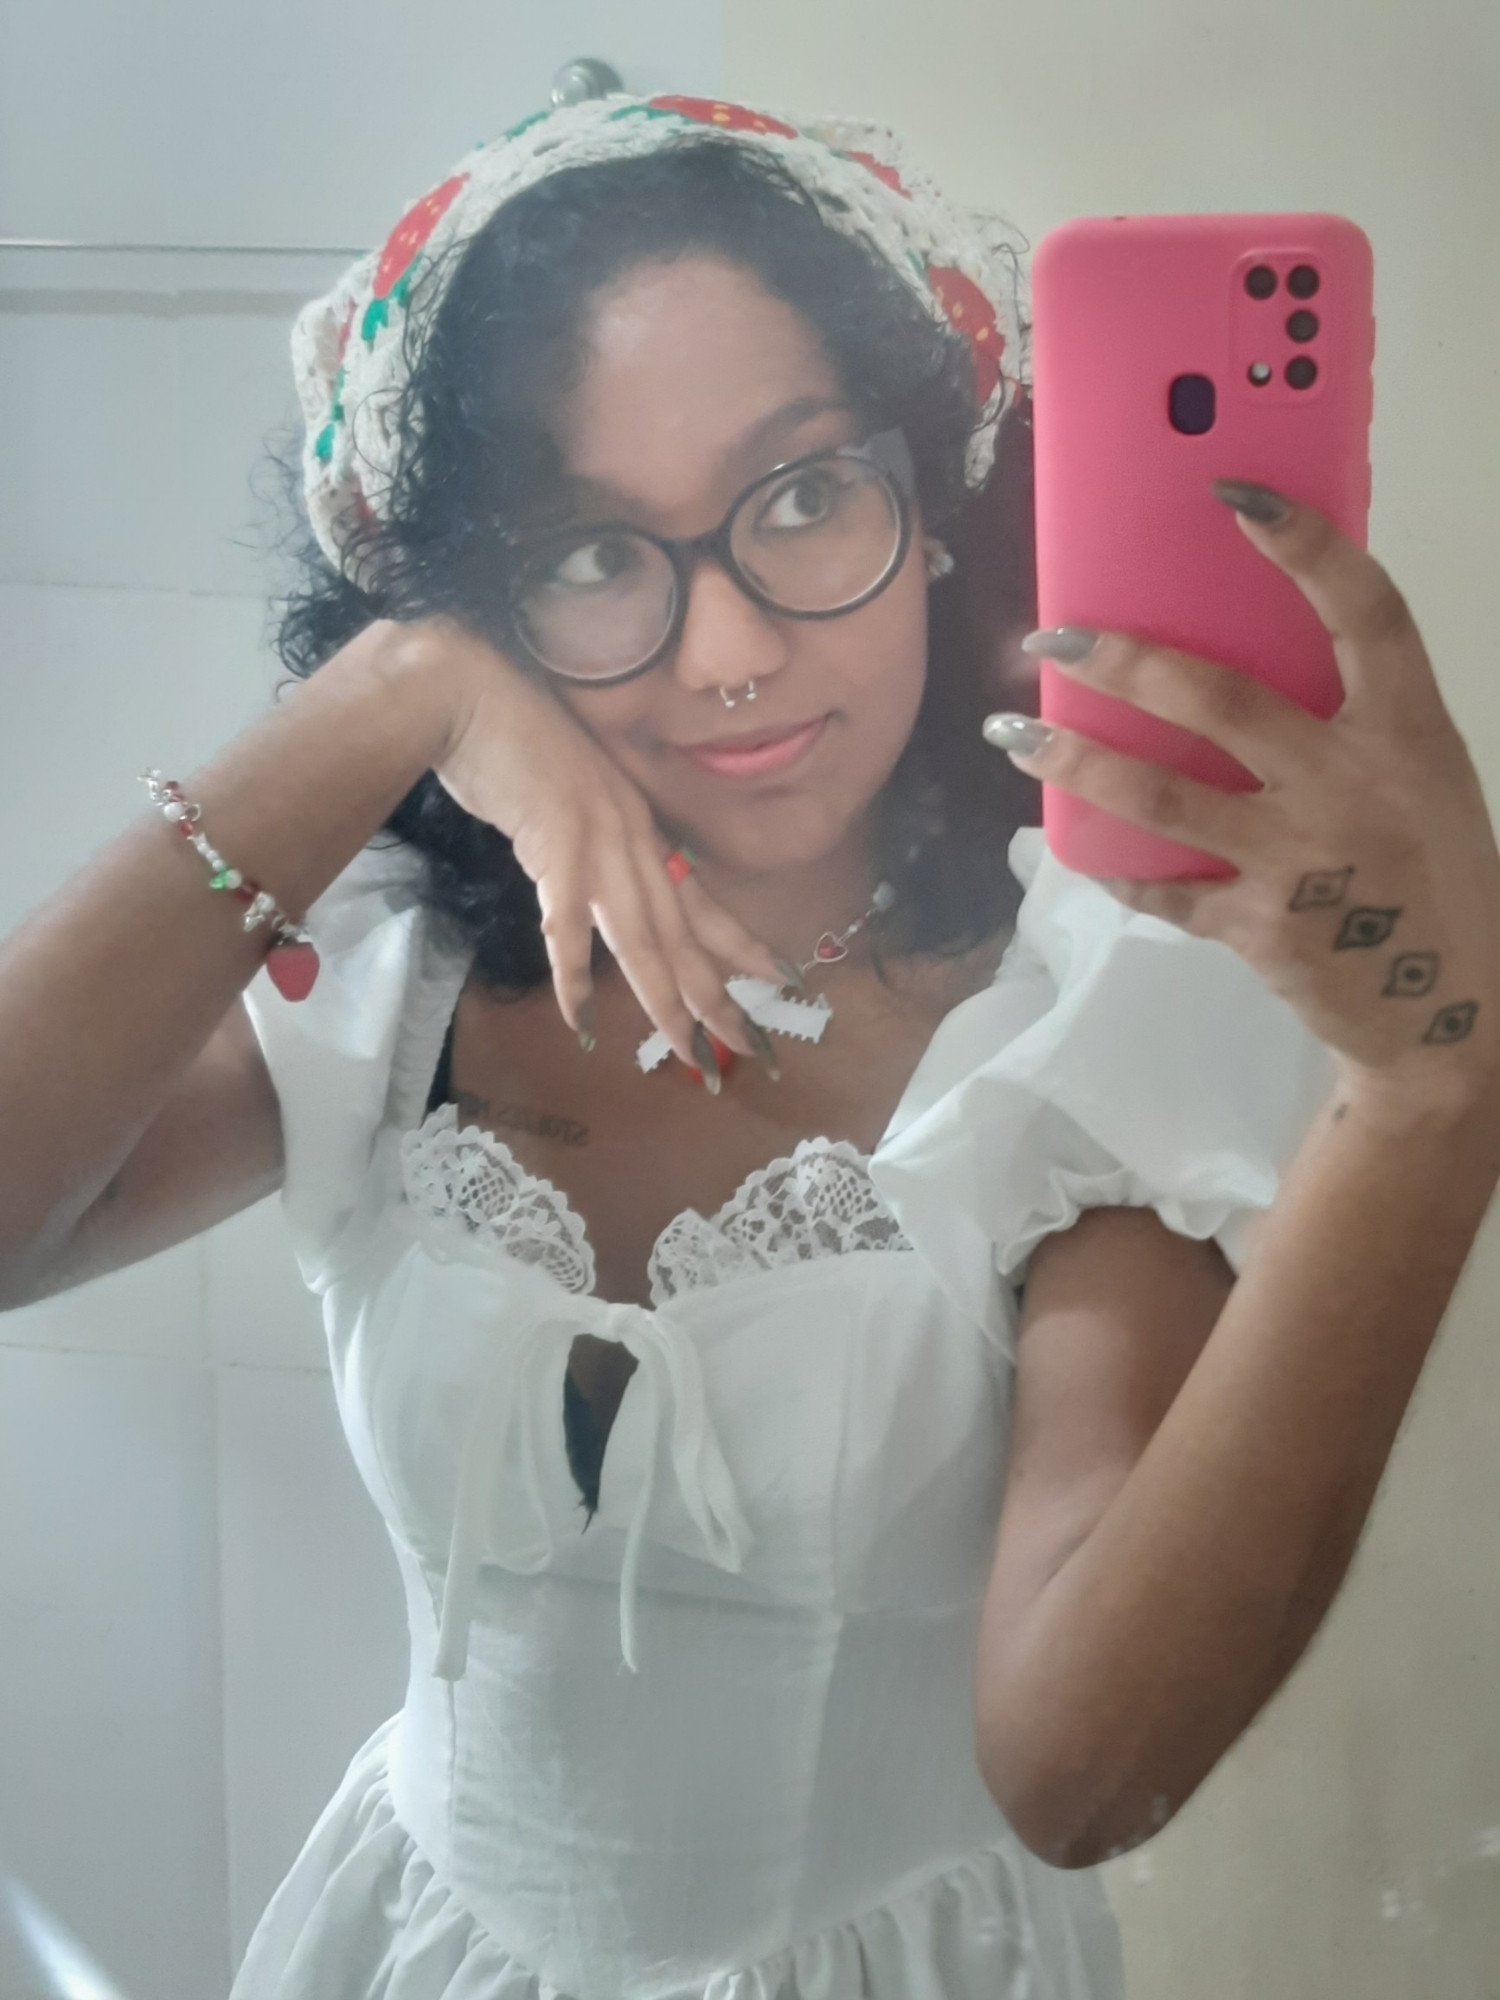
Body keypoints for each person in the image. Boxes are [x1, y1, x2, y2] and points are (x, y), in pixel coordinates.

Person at [1, 91, 1497, 2000]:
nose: (724, 654)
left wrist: (1432, 1099)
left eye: (802, 497)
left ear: (936, 510)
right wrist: (391, 695)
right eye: (584, 553)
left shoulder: (1073, 995)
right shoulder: (394, 968)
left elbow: (1082, 1769)